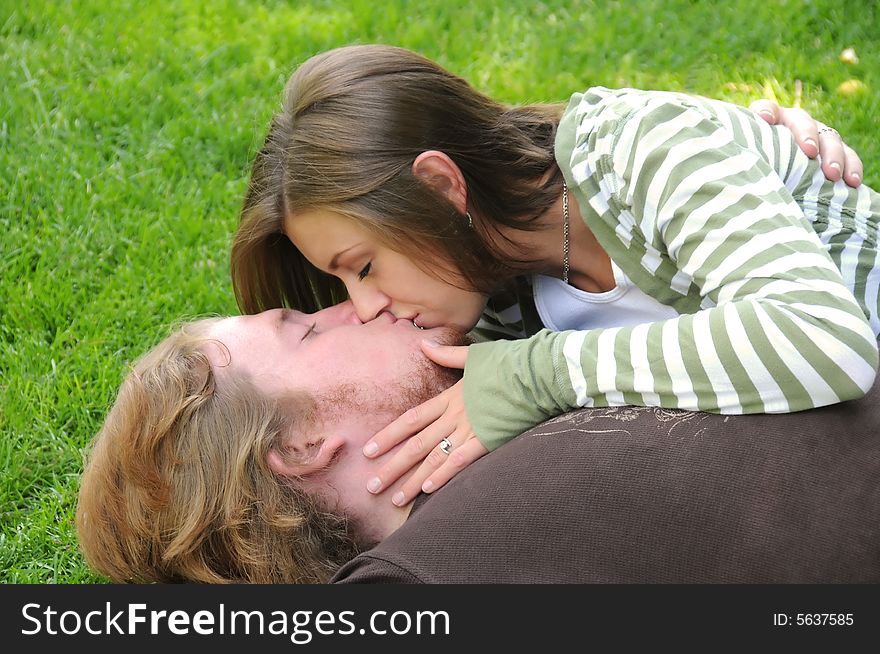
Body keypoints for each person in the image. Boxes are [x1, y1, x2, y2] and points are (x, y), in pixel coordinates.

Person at [230, 45, 880, 507]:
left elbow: (825, 343)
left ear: (438, 186)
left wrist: (542, 375)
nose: (365, 307)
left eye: (364, 267)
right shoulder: (502, 305)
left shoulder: (639, 148)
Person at [75, 304, 880, 583]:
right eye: (309, 327)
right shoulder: (416, 583)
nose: (359, 305)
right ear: (302, 447)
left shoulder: (519, 373)